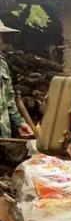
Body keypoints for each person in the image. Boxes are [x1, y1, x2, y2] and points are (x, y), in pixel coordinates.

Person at [0, 20, 34, 163]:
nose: (2, 43)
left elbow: (8, 98)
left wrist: (19, 122)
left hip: (3, 133)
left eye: (1, 38)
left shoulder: (2, 64)